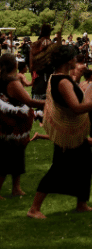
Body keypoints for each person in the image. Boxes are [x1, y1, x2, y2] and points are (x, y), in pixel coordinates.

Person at [27, 45, 92, 219]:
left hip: (72, 133)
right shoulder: (62, 82)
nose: (77, 60)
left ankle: (81, 203)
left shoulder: (60, 78)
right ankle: (34, 209)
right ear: (69, 60)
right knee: (58, 169)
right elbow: (76, 108)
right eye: (75, 57)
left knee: (87, 162)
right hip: (67, 133)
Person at [0, 54, 44, 198]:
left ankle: (16, 188)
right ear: (15, 65)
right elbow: (29, 101)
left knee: (17, 157)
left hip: (9, 124)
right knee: (7, 158)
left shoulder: (3, 79)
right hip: (12, 125)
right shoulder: (12, 81)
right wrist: (49, 102)